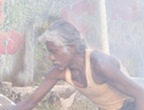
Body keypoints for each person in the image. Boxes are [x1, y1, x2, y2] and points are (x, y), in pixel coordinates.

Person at [9, 20, 144, 110]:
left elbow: (140, 94)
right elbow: (31, 101)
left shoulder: (100, 65)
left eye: (54, 51)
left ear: (71, 48)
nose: (51, 57)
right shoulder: (57, 72)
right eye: (50, 52)